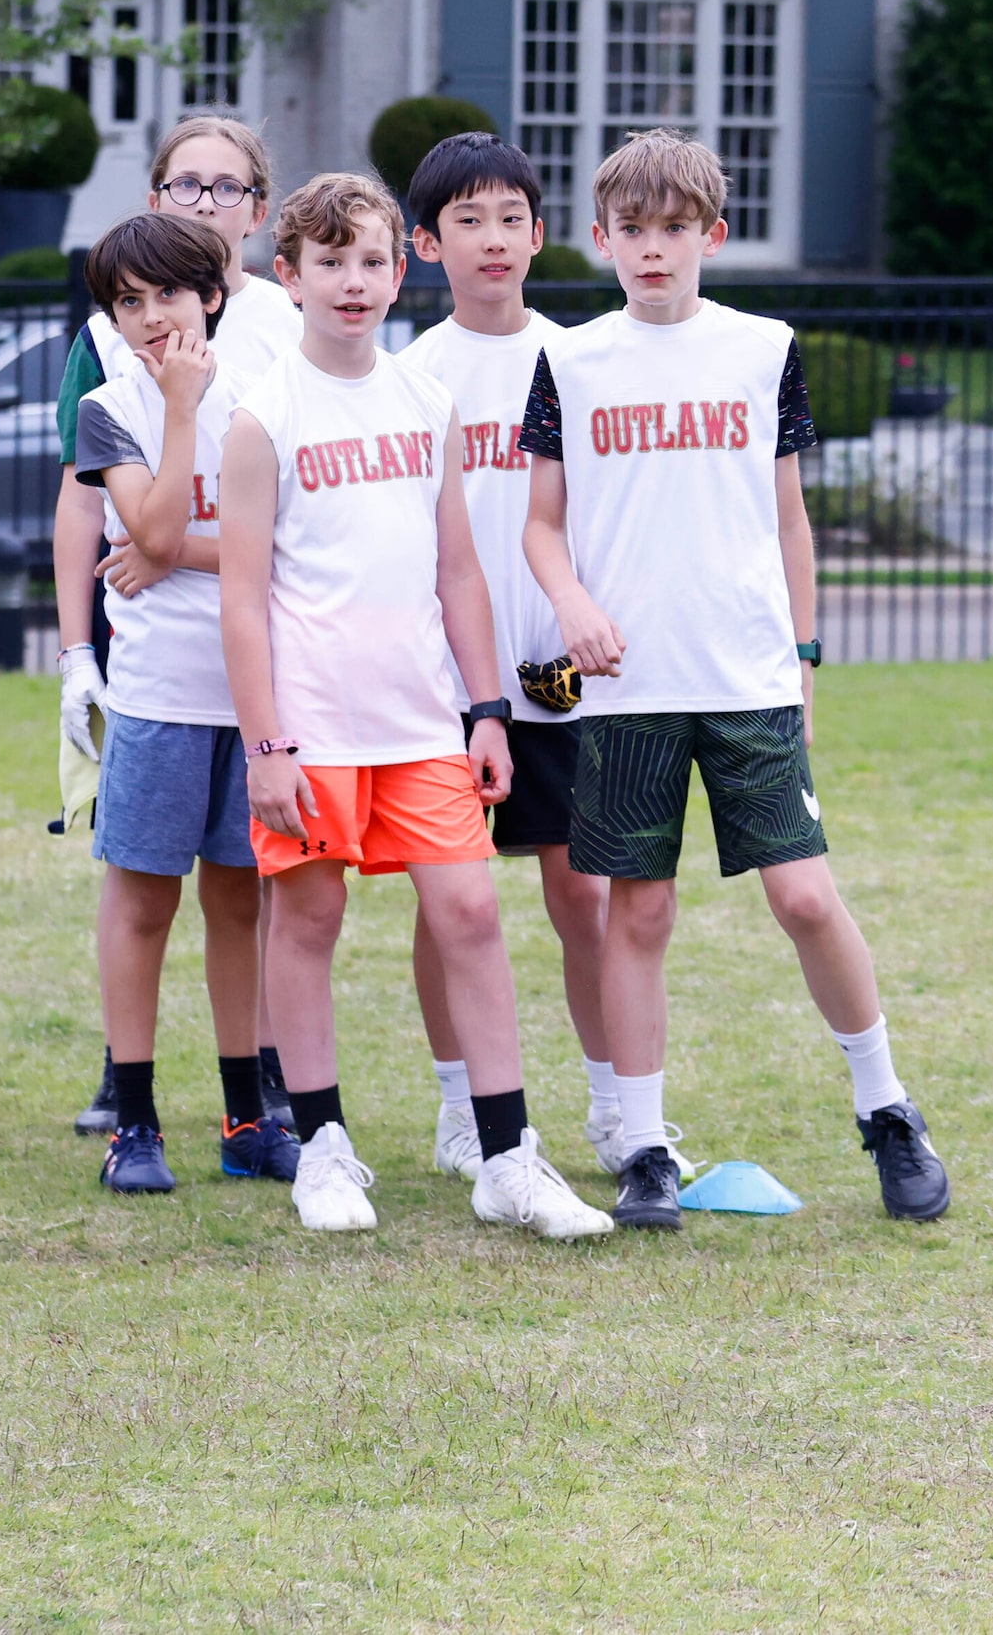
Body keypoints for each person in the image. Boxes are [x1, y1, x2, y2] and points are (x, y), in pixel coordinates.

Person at [519, 128, 952, 1229]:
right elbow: (542, 526)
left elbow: (790, 518)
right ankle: (646, 1145)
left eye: (674, 230)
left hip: (748, 674)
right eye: (631, 231)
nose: (652, 251)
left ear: (711, 234)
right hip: (627, 689)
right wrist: (573, 607)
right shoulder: (570, 359)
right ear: (603, 239)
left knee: (804, 896)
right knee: (640, 912)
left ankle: (888, 1110)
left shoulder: (764, 347)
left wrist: (804, 657)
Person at [218, 172, 612, 1240]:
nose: (354, 282)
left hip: (423, 724)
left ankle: (507, 1158)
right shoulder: (263, 420)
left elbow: (462, 575)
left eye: (373, 261)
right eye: (331, 262)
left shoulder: (422, 401)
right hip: (312, 730)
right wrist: (266, 745)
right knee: (310, 918)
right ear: (287, 276)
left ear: (402, 269)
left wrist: (486, 710)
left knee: (472, 915)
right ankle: (324, 1147)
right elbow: (243, 602)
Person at [55, 114, 301, 1136]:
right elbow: (112, 514)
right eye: (185, 185)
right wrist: (77, 650)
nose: (206, 205)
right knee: (142, 892)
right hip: (155, 682)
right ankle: (135, 1103)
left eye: (226, 188)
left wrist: (178, 549)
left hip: (256, 681)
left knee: (245, 894)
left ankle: (257, 1103)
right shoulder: (112, 384)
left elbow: (283, 539)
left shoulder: (276, 358)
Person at [400, 134, 631, 1182]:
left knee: (583, 894)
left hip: (557, 681)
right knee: (451, 901)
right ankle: (465, 1107)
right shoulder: (410, 380)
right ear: (425, 244)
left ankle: (618, 1105)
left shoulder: (583, 363)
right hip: (444, 688)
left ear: (541, 236)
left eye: (510, 219)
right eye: (466, 222)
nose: (491, 241)